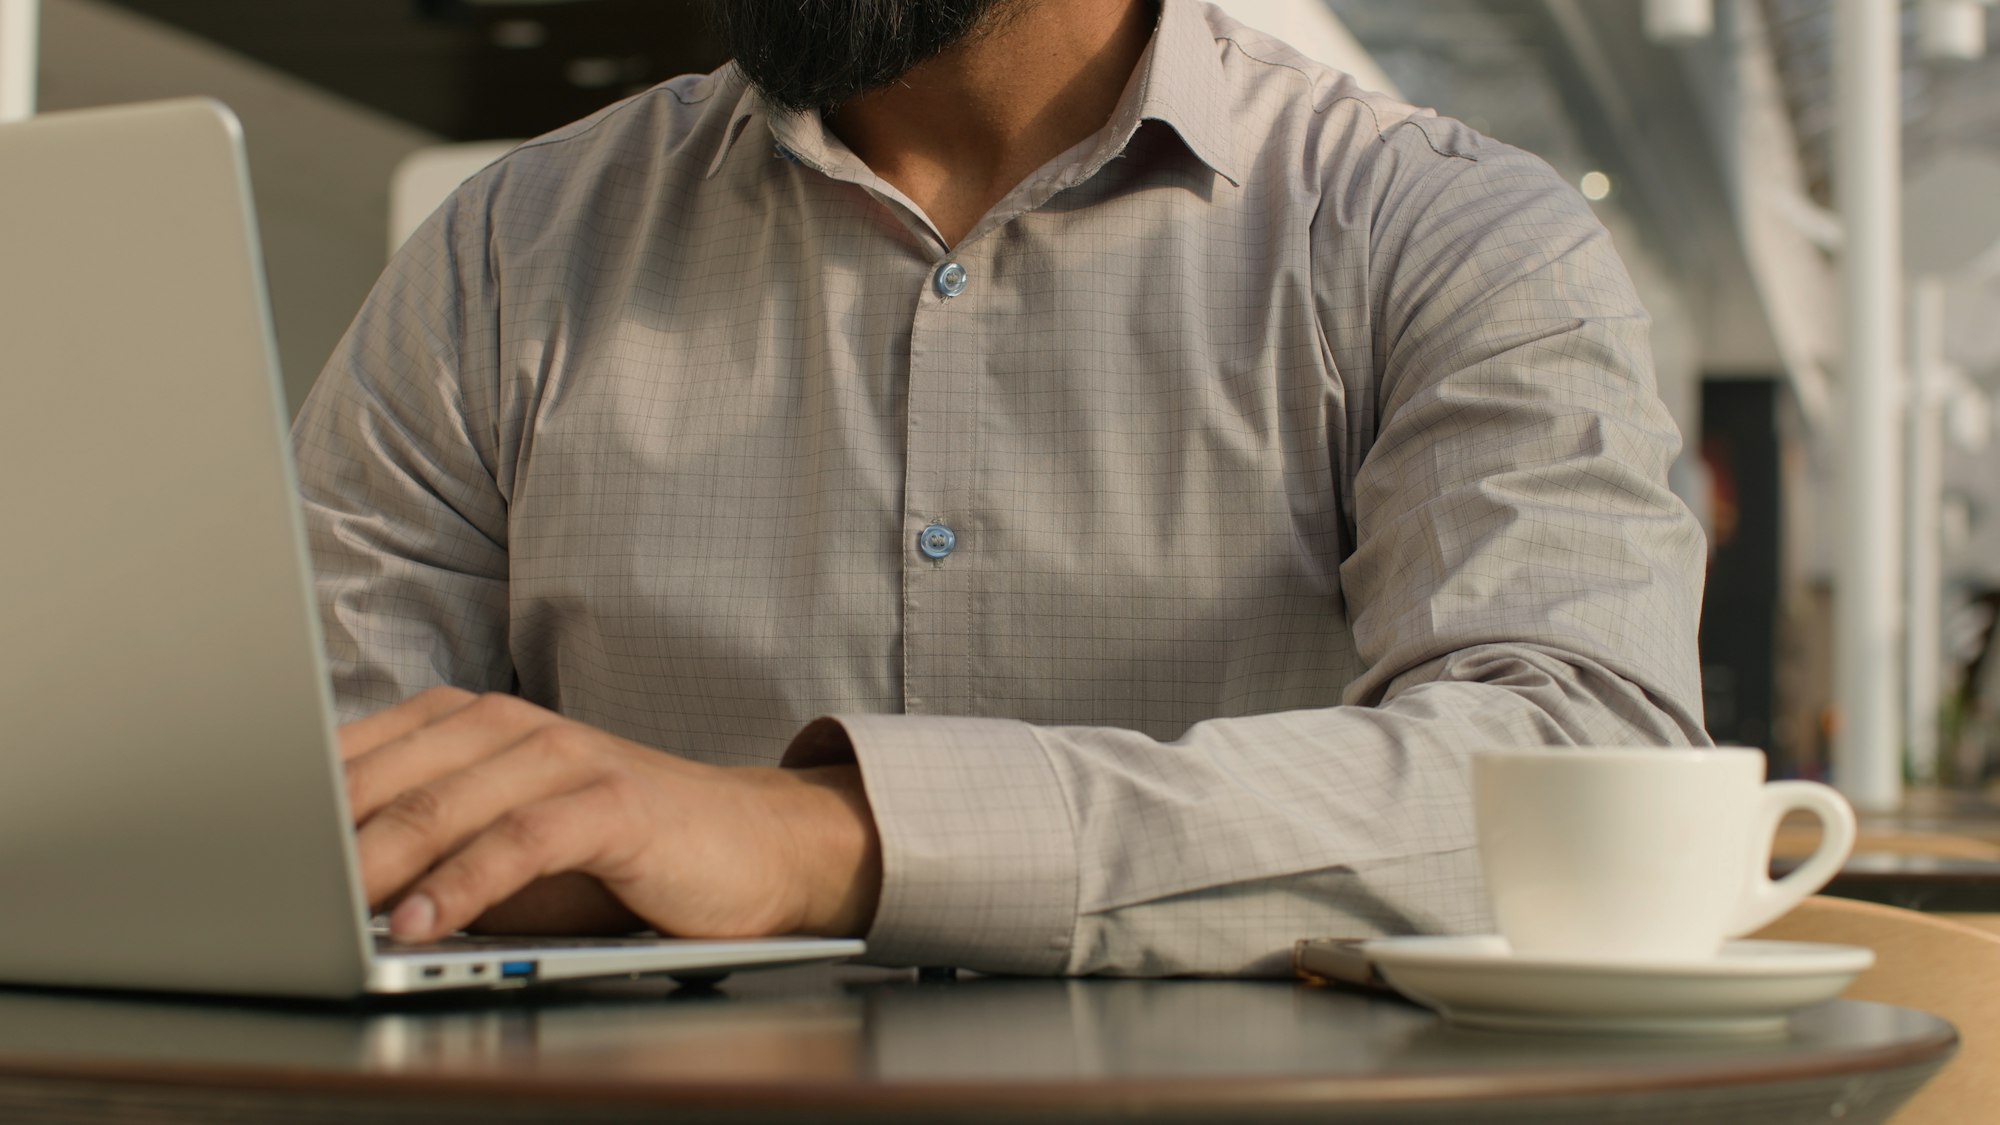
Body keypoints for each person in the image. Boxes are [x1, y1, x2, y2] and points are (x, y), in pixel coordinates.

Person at [292, 0, 1708, 977]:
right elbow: (301, 790)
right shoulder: (511, 250)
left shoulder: (1445, 237)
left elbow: (1581, 774)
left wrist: (826, 840)